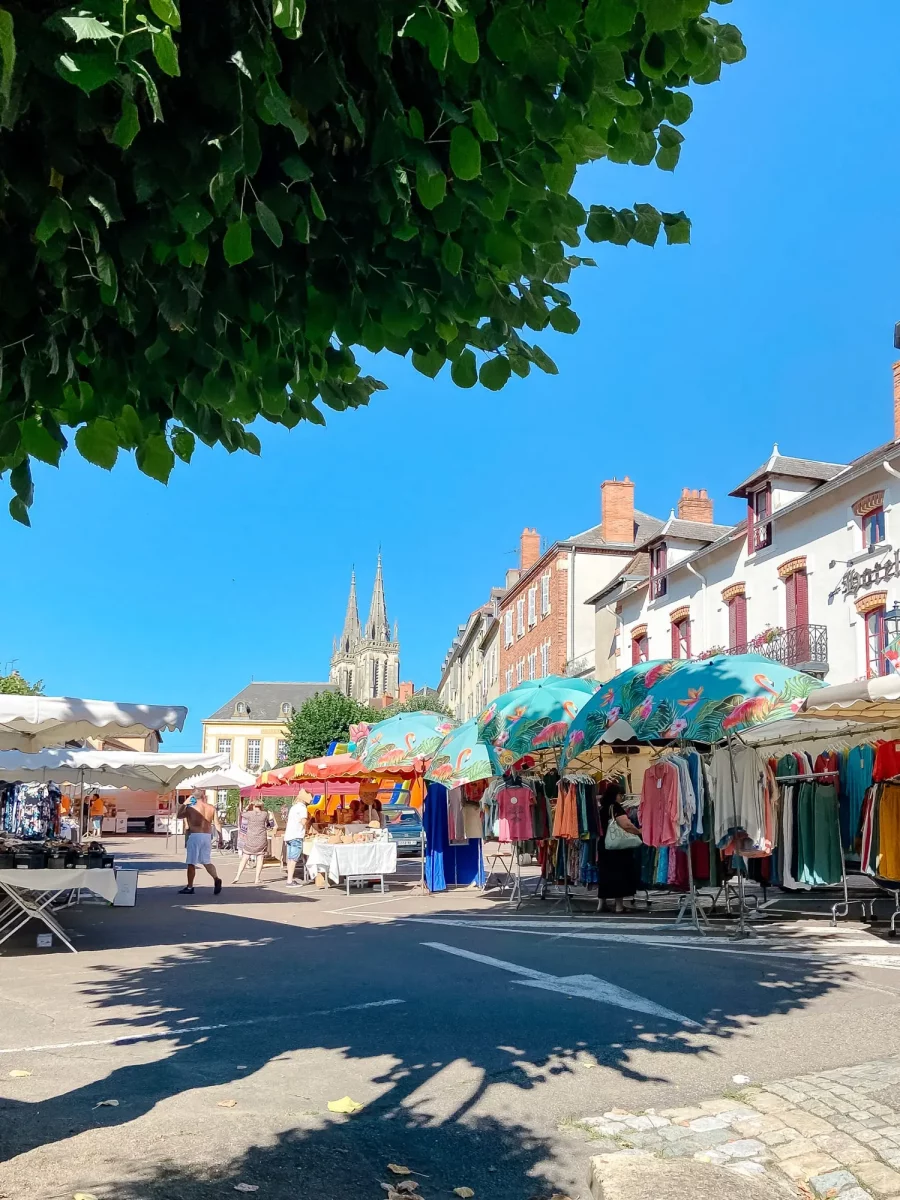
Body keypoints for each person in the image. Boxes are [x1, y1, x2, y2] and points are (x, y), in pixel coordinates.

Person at [596, 781, 642, 915]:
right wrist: (639, 831)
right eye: (621, 795)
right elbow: (626, 825)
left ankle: (601, 904)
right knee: (619, 874)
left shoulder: (602, 808)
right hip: (617, 847)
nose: (622, 798)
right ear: (615, 795)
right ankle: (619, 906)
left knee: (605, 875)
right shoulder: (615, 808)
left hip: (604, 845)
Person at [176, 793, 223, 895]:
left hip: (195, 835)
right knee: (206, 861)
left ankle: (190, 887)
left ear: (193, 797)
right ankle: (216, 878)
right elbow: (217, 823)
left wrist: (184, 803)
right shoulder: (211, 808)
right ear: (204, 797)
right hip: (207, 836)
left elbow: (178, 815)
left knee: (191, 862)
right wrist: (221, 837)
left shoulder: (191, 808)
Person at [233, 798, 275, 885]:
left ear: (253, 805)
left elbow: (242, 813)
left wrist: (247, 806)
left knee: (245, 857)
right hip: (261, 839)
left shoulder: (249, 814)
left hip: (250, 839)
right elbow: (269, 825)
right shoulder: (264, 814)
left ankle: (237, 876)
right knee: (260, 858)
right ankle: (257, 878)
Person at [284, 788, 311, 887]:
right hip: (297, 835)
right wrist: (309, 821)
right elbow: (303, 822)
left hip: (289, 835)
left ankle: (289, 879)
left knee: (290, 859)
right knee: (294, 859)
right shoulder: (303, 808)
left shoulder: (294, 807)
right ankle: (290, 881)